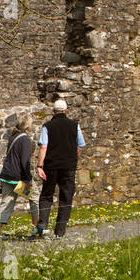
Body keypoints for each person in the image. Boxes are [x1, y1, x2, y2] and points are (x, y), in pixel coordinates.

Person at [33, 98, 86, 239]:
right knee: (66, 197)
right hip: (68, 166)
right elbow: (80, 145)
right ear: (66, 110)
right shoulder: (75, 126)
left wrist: (39, 165)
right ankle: (60, 231)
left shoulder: (48, 126)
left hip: (51, 165)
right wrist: (73, 157)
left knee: (46, 195)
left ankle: (43, 222)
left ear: (54, 111)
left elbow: (43, 146)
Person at [0, 113, 37, 241]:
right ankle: (36, 227)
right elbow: (25, 162)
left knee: (6, 203)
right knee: (35, 197)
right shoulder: (25, 139)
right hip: (18, 179)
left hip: (7, 176)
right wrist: (28, 180)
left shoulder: (13, 137)